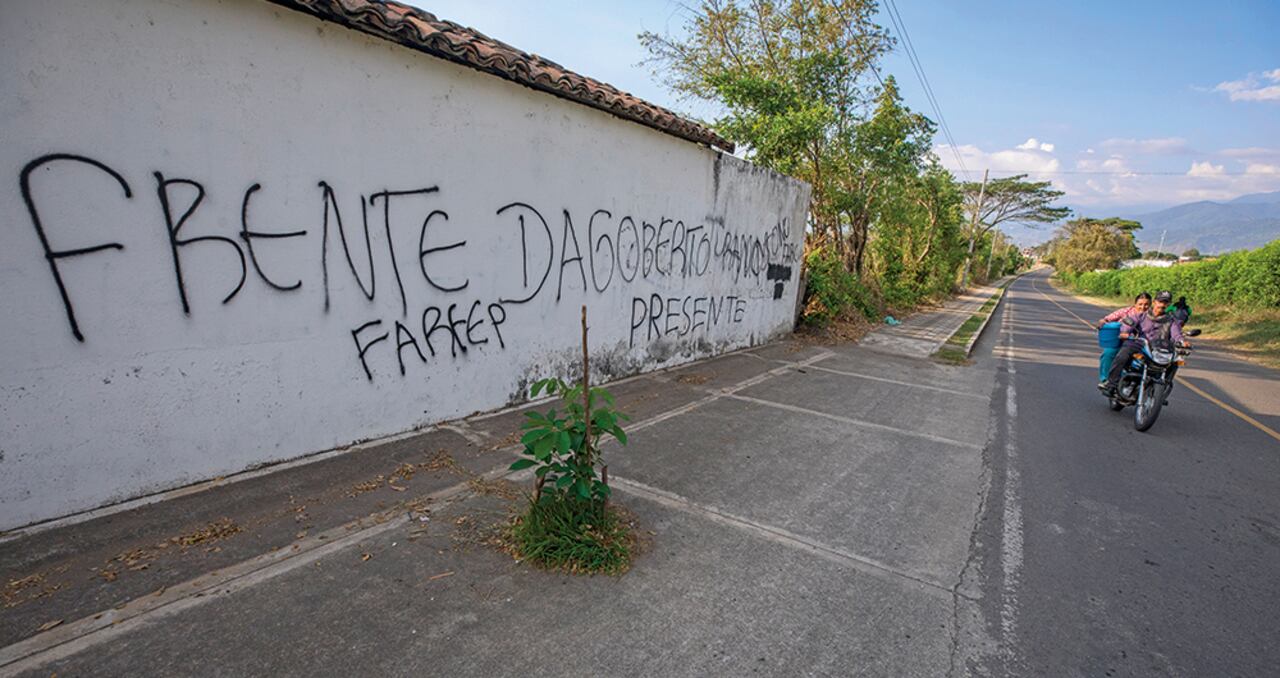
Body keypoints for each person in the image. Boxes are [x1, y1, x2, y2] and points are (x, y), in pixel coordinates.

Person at [1101, 291, 1188, 397]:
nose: (1162, 305)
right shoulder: (1140, 316)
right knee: (1122, 354)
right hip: (1139, 344)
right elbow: (1128, 325)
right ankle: (1111, 384)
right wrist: (1125, 332)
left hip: (1158, 349)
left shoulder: (1171, 320)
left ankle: (1162, 389)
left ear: (1168, 305)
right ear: (1154, 302)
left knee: (1175, 362)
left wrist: (1182, 342)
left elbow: (1177, 334)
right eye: (1160, 301)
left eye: (1165, 302)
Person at [1095, 292, 1151, 387]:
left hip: (1141, 344)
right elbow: (1107, 319)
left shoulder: (1152, 316)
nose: (1143, 307)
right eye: (1140, 304)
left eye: (1146, 304)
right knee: (1108, 353)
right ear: (1135, 304)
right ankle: (1106, 380)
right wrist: (1103, 322)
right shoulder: (1126, 312)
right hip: (1122, 341)